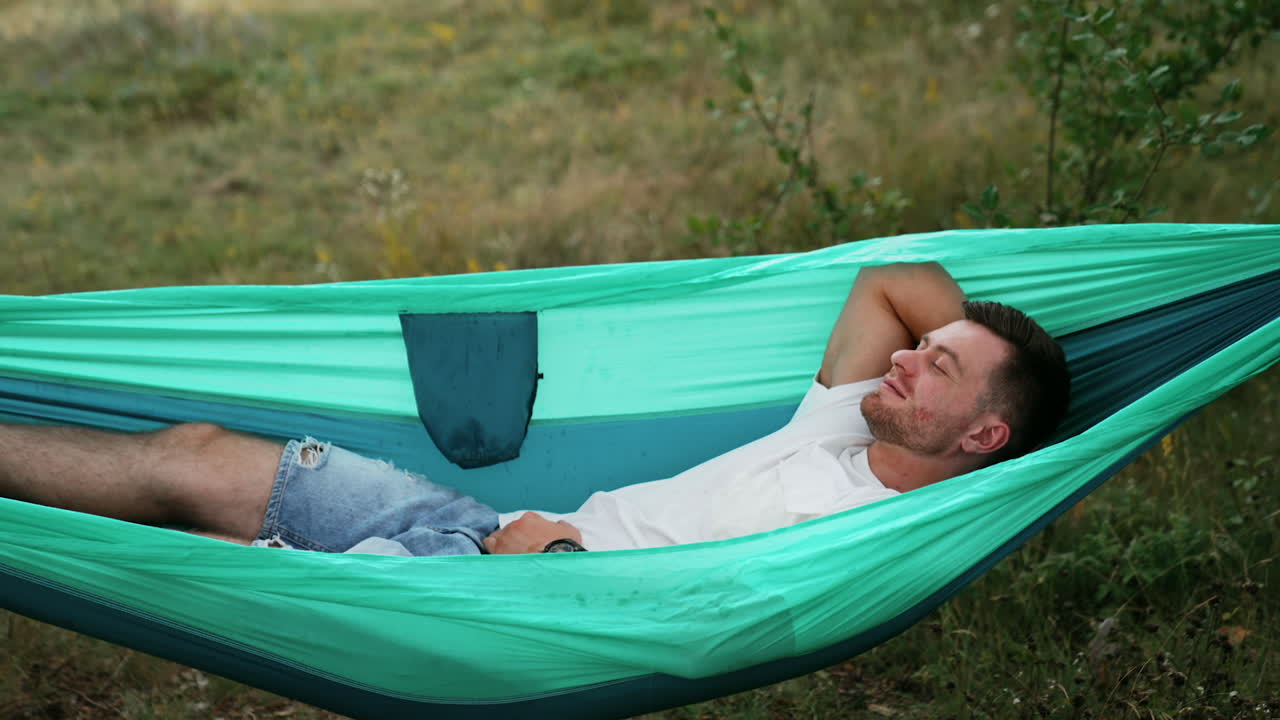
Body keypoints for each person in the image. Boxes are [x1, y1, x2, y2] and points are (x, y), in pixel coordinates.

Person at [0, 262, 1070, 556]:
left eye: (932, 370)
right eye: (919, 352)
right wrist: (970, 356)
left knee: (209, 571)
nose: (905, 360)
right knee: (190, 459)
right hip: (478, 532)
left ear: (984, 440)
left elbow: (715, 619)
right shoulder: (839, 427)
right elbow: (895, 278)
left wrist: (553, 579)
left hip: (522, 595)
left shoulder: (875, 535)